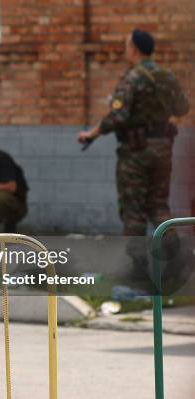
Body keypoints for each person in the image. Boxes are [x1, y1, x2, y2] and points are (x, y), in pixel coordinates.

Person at [78, 29, 190, 286]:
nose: (124, 50)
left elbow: (118, 117)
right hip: (163, 148)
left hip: (136, 152)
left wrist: (91, 133)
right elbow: (182, 107)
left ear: (135, 49)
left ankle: (137, 272)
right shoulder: (166, 76)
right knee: (159, 205)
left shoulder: (133, 78)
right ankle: (177, 260)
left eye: (126, 45)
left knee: (133, 210)